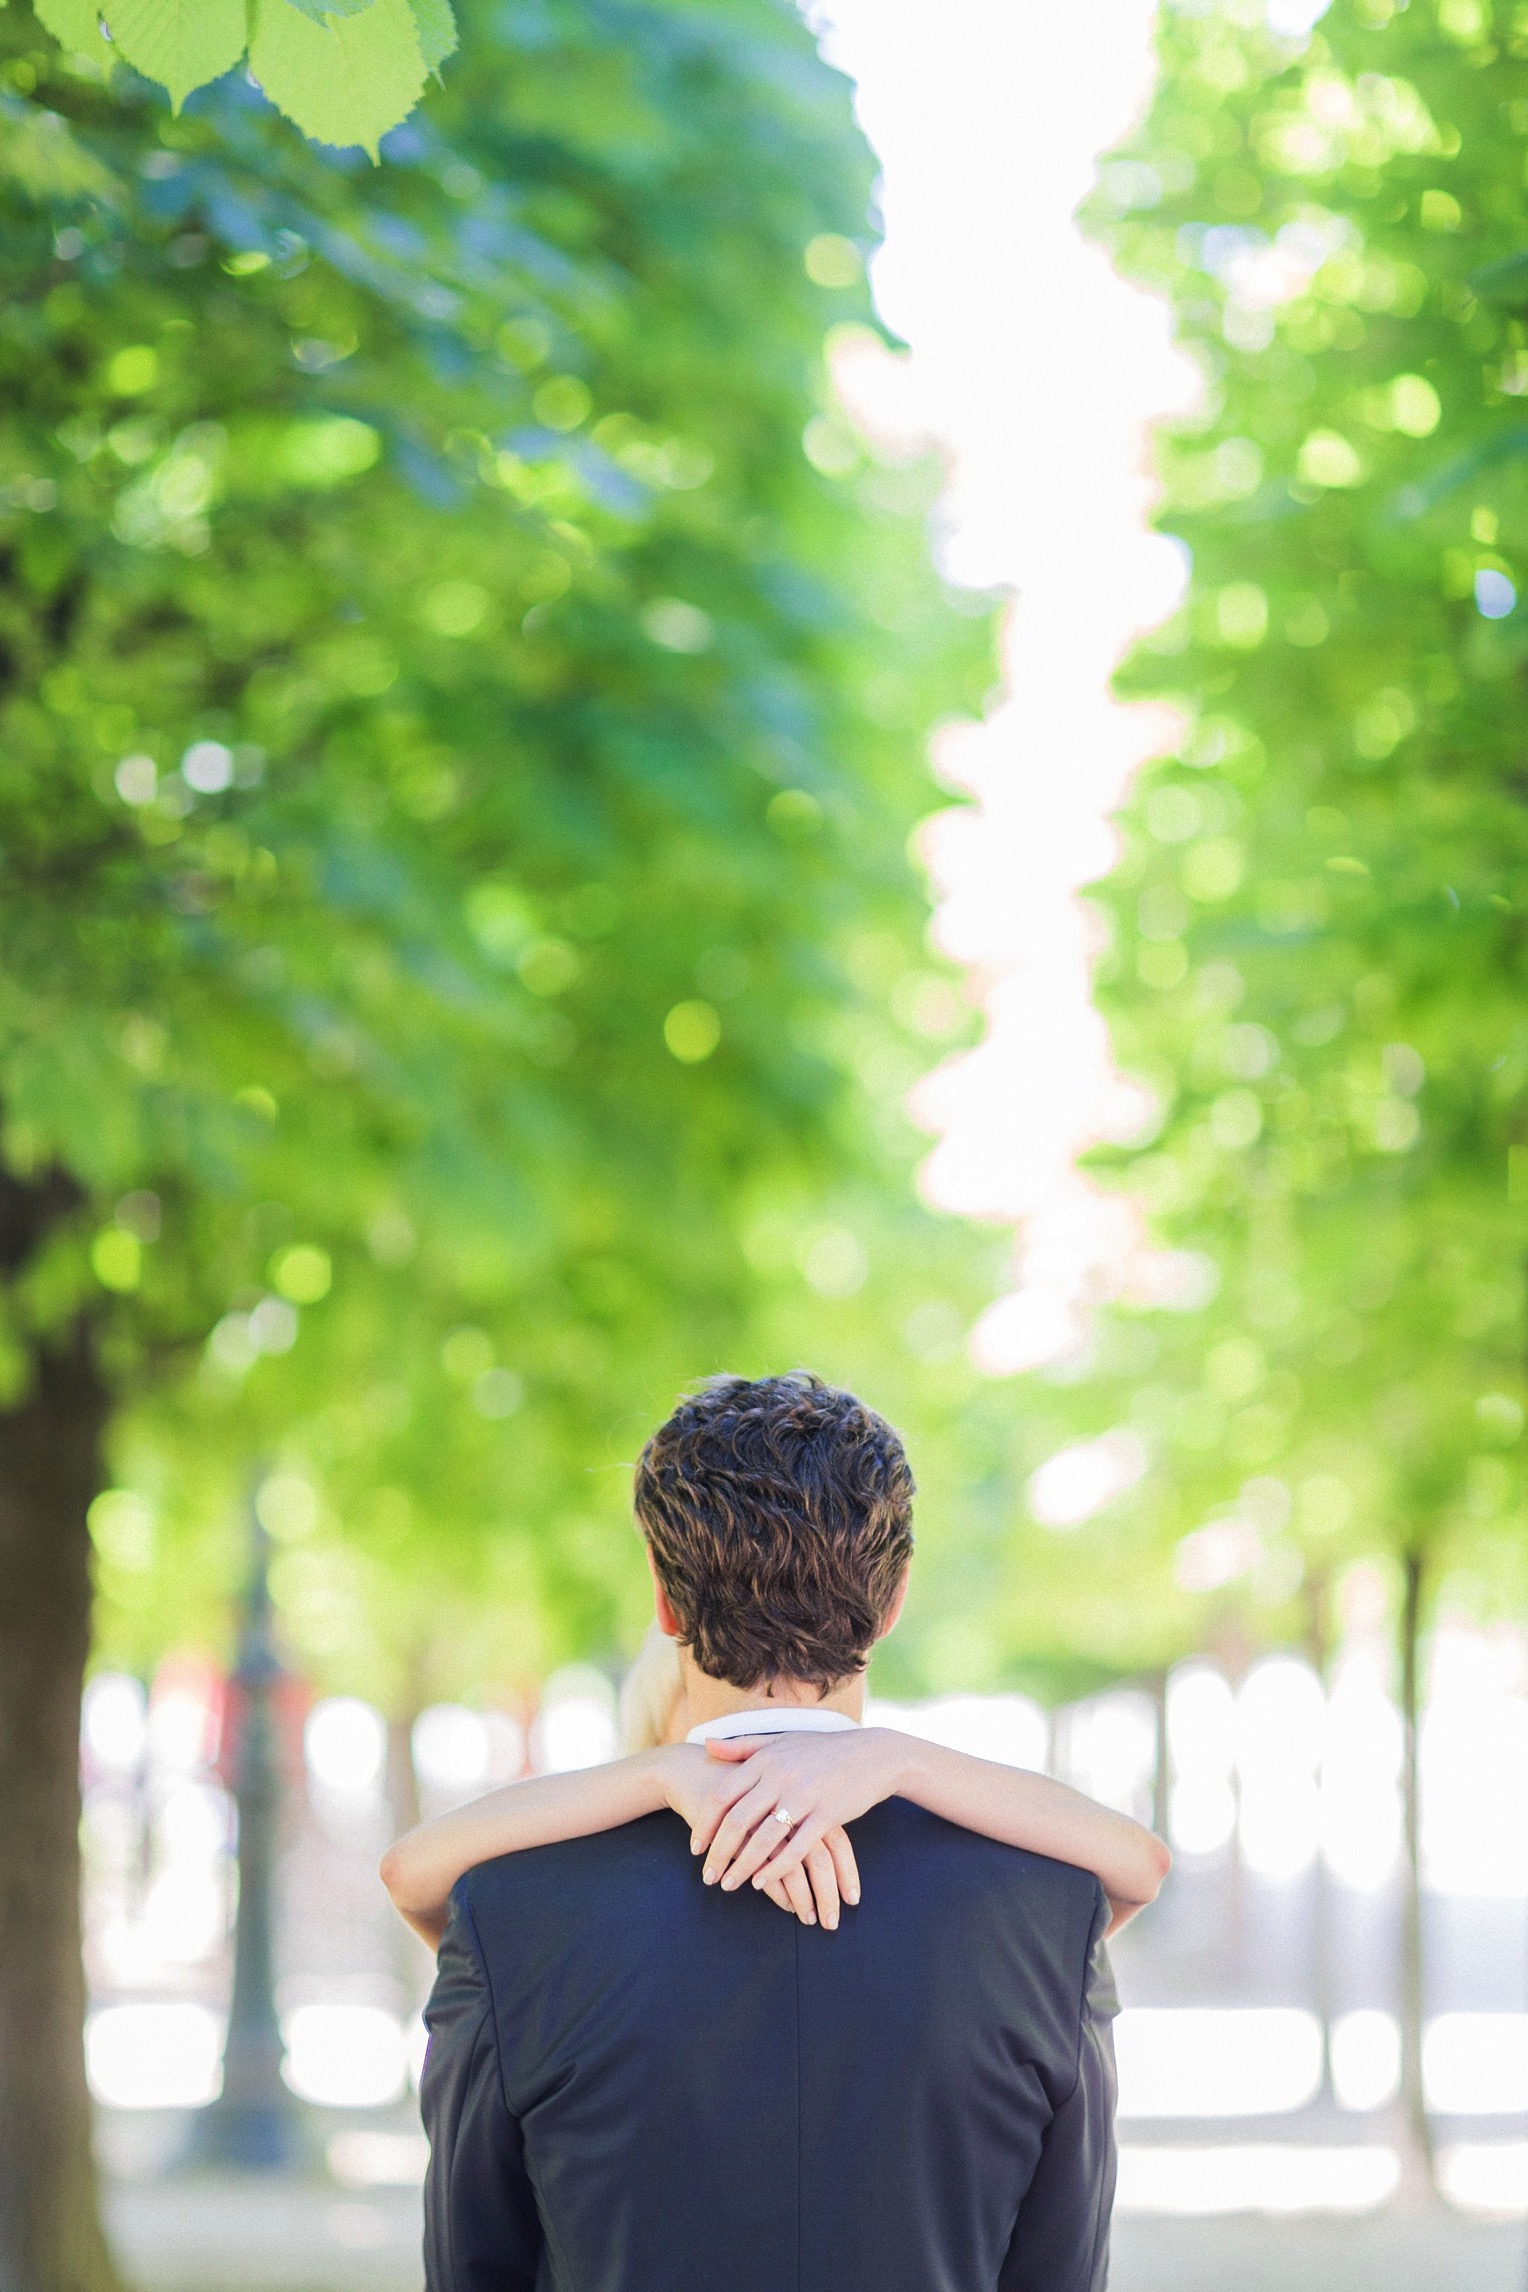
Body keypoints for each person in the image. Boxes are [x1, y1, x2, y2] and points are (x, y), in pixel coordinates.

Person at [406, 1373, 1164, 2292]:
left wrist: (652, 1773)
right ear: (892, 1605)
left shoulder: (508, 1911)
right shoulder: (1051, 1911)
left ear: (664, 1597)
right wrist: (907, 1759)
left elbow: (471, 2268)